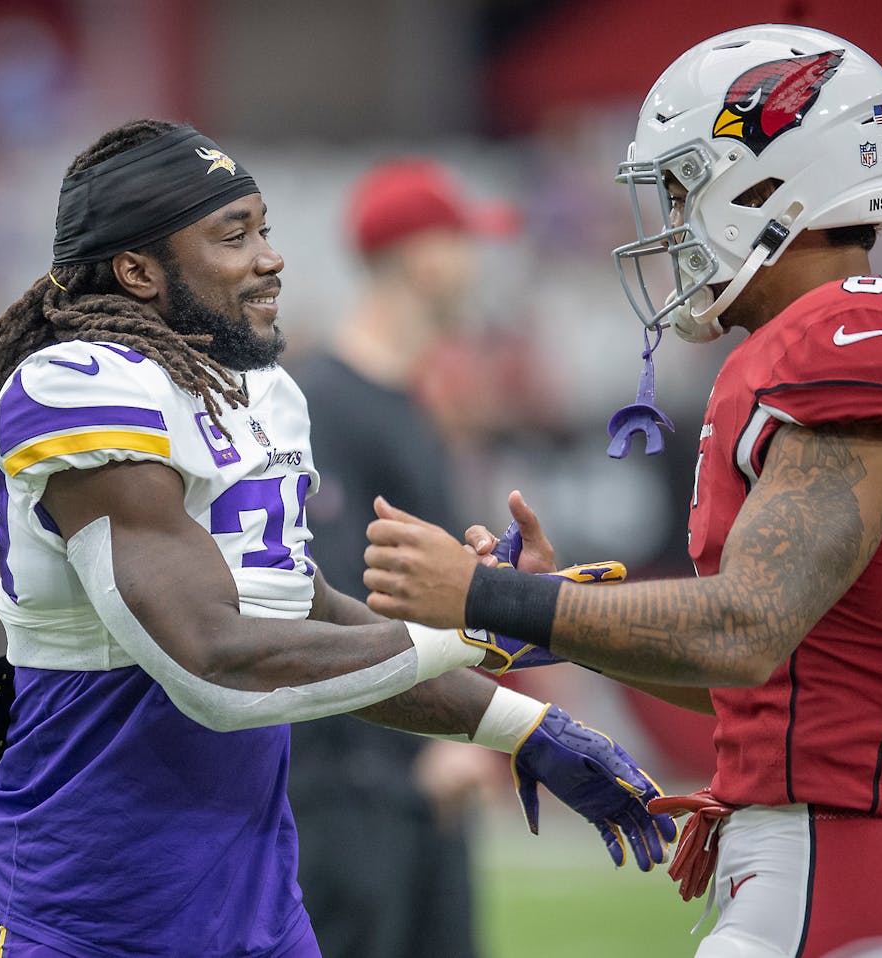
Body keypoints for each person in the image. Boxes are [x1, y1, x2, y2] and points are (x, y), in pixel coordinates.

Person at [0, 118, 674, 958]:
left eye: (265, 228)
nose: (270, 256)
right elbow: (214, 665)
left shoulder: (264, 395)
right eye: (233, 236)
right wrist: (470, 631)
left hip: (256, 907)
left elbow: (303, 624)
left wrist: (515, 720)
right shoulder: (76, 385)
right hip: (77, 908)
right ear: (137, 271)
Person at [363, 24, 882, 958]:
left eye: (683, 188)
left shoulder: (853, 340)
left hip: (845, 867)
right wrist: (546, 614)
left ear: (769, 185)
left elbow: (743, 630)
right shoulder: (806, 346)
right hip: (838, 862)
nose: (669, 225)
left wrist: (488, 597)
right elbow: (760, 678)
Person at [285, 158, 517, 958]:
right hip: (352, 791)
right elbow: (328, 598)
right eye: (463, 242)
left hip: (413, 781)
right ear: (423, 257)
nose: (476, 265)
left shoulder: (407, 402)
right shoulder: (322, 402)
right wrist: (421, 749)